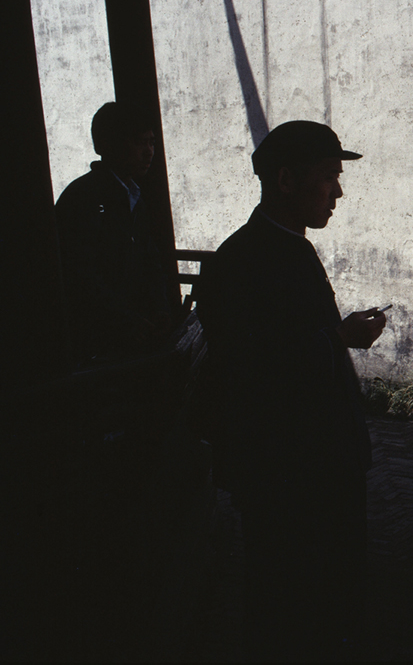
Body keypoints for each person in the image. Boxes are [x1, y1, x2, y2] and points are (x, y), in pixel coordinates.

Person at [196, 121, 387, 659]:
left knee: (322, 593)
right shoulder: (243, 261)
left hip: (319, 464)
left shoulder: (286, 248)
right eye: (329, 178)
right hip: (290, 469)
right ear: (285, 179)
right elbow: (255, 369)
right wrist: (338, 339)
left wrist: (336, 338)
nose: (339, 193)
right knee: (289, 600)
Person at [55, 102, 175, 365]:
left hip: (135, 328)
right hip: (99, 340)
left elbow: (150, 262)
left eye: (152, 142)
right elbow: (80, 276)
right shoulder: (82, 198)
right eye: (139, 142)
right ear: (106, 145)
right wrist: (127, 320)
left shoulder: (134, 197)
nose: (149, 152)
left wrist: (160, 309)